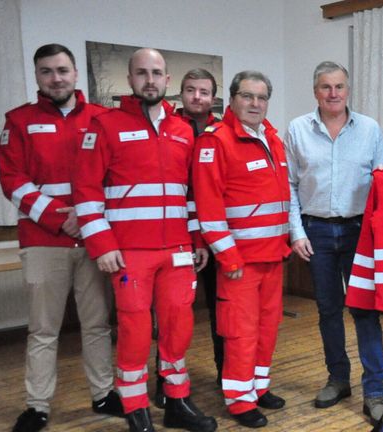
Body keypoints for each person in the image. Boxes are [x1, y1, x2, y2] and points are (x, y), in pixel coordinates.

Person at [73, 47, 216, 432]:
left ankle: (176, 401)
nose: (150, 80)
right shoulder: (106, 125)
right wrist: (102, 245)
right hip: (128, 254)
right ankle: (136, 409)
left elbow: (192, 193)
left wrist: (197, 239)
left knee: (178, 327)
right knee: (135, 331)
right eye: (142, 73)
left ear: (167, 80)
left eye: (157, 73)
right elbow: (85, 191)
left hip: (178, 251)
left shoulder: (183, 129)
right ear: (131, 79)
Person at [0, 43, 122, 432]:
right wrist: (59, 217)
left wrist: (84, 220)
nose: (56, 78)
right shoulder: (18, 121)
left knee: (98, 324)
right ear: (37, 76)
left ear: (75, 74)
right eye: (47, 71)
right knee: (43, 329)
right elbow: (12, 181)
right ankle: (37, 406)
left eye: (62, 70)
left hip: (93, 240)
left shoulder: (102, 118)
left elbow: (114, 177)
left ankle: (104, 394)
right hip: (43, 241)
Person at [285, 61, 383, 423]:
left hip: (361, 232)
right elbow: (290, 187)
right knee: (328, 310)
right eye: (326, 87)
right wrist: (296, 232)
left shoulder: (370, 129)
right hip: (316, 232)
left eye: (339, 87)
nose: (333, 93)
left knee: (365, 311)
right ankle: (338, 378)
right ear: (316, 91)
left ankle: (374, 390)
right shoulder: (297, 129)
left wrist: (381, 235)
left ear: (348, 90)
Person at [192, 70, 289, 428]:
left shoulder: (272, 138)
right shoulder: (215, 142)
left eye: (262, 97)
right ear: (232, 99)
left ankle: (259, 388)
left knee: (267, 328)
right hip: (240, 263)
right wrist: (227, 256)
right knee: (240, 332)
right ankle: (238, 399)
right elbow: (208, 207)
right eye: (248, 96)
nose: (255, 104)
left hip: (273, 257)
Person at [150, 68, 222, 409]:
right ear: (179, 93)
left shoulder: (224, 130)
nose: (197, 97)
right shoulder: (167, 127)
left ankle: (229, 377)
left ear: (213, 97)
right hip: (176, 236)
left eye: (204, 91)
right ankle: (166, 383)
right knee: (171, 316)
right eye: (190, 90)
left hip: (218, 236)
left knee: (222, 314)